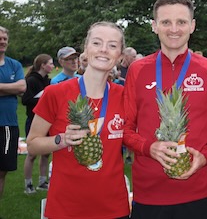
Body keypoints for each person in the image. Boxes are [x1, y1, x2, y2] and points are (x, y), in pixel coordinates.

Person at [122, 0, 207, 219]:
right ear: (154, 25)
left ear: (192, 25)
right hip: (148, 192)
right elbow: (126, 128)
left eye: (181, 22)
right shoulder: (138, 70)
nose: (174, 29)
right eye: (166, 22)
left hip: (197, 191)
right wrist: (148, 147)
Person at [26, 22, 130, 219]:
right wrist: (61, 140)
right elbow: (32, 145)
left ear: (121, 56)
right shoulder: (55, 93)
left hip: (114, 207)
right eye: (97, 43)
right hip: (65, 207)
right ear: (86, 49)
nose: (103, 50)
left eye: (113, 45)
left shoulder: (125, 96)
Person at [0, 26, 27, 200]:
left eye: (4, 39)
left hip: (7, 126)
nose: (2, 41)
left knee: (2, 172)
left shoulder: (14, 64)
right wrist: (10, 89)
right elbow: (16, 88)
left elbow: (22, 87)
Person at [22, 54, 54, 194]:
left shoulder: (48, 81)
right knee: (32, 154)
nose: (53, 66)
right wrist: (42, 101)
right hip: (33, 120)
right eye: (51, 63)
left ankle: (42, 181)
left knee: (46, 153)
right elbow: (26, 100)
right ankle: (28, 184)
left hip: (46, 122)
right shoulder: (31, 80)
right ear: (43, 65)